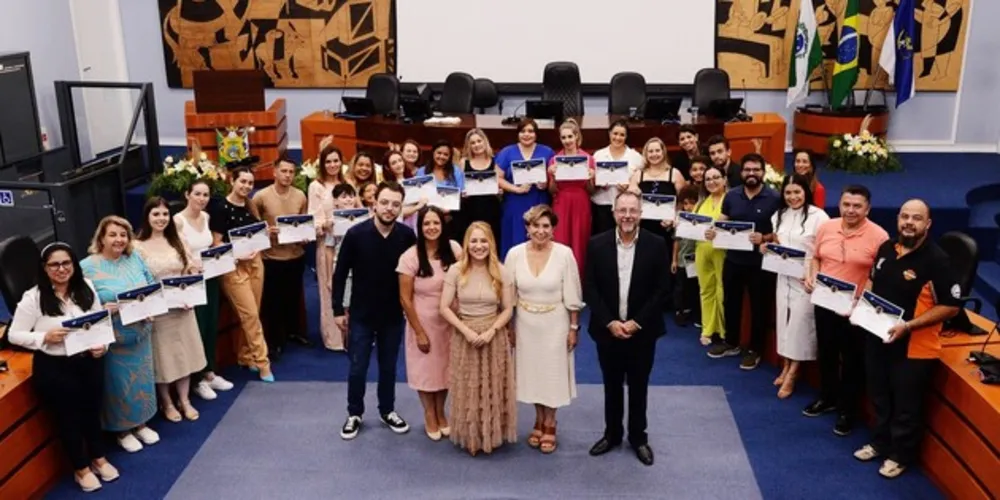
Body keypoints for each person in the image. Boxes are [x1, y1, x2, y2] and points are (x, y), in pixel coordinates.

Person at [853, 199, 960, 478]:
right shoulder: (887, 248)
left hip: (914, 346)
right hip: (878, 336)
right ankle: (879, 443)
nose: (909, 223)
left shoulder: (938, 261)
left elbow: (951, 306)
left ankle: (900, 456)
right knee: (879, 396)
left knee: (906, 406)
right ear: (898, 219)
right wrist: (862, 306)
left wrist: (909, 326)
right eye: (905, 217)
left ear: (928, 224)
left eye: (917, 218)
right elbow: (873, 280)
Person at [9, 242, 118, 492]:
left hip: (88, 363)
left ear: (74, 265)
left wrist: (103, 346)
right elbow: (15, 334)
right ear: (45, 268)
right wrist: (43, 338)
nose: (61, 269)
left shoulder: (86, 287)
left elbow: (99, 322)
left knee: (92, 411)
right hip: (55, 368)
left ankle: (99, 458)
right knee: (68, 419)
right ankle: (81, 469)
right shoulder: (34, 298)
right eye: (54, 265)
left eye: (66, 263)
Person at [584, 191, 670, 466]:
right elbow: (591, 287)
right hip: (607, 330)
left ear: (640, 214)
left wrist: (636, 322)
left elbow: (661, 290)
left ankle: (638, 437)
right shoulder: (596, 244)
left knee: (638, 385)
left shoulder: (657, 245)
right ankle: (611, 434)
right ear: (613, 213)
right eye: (622, 210)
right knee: (611, 385)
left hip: (642, 331)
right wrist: (610, 322)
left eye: (633, 210)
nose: (627, 216)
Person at [804, 185, 888, 436]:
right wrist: (813, 276)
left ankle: (847, 411)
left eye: (857, 206)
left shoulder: (880, 236)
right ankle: (827, 397)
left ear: (868, 209)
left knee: (852, 361)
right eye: (846, 205)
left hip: (854, 310)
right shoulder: (827, 227)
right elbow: (816, 257)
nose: (850, 210)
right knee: (827, 353)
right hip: (825, 302)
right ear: (839, 205)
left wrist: (861, 302)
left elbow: (877, 274)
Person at [335, 182, 417, 440]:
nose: (389, 208)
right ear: (374, 204)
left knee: (389, 367)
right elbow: (340, 274)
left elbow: (416, 272)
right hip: (361, 314)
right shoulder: (356, 234)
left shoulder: (406, 236)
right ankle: (354, 413)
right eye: (384, 202)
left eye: (395, 204)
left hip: (393, 314)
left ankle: (387, 410)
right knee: (358, 367)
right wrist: (338, 309)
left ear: (400, 207)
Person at [504, 204, 583, 454]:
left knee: (552, 375)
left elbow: (573, 293)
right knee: (533, 375)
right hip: (525, 324)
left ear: (553, 229)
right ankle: (538, 419)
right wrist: (509, 326)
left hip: (555, 323)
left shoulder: (564, 254)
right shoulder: (514, 254)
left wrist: (573, 327)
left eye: (546, 226)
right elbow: (508, 294)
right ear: (527, 228)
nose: (540, 231)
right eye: (535, 225)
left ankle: (550, 422)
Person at [81, 216, 160, 452]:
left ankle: (141, 423)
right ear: (101, 238)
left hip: (141, 333)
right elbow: (82, 306)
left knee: (142, 382)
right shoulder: (87, 266)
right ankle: (122, 430)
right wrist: (103, 310)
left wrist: (153, 307)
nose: (119, 239)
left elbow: (151, 284)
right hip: (115, 339)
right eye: (113, 234)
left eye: (123, 235)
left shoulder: (134, 257)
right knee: (119, 385)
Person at [439, 222, 517, 455]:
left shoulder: (501, 271)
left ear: (491, 243)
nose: (478, 246)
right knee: (468, 386)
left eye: (483, 241)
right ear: (466, 244)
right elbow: (444, 307)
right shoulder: (455, 270)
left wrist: (492, 331)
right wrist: (467, 331)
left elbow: (507, 309)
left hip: (494, 336)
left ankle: (491, 435)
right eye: (474, 241)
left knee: (492, 385)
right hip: (466, 335)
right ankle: (471, 437)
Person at [706, 153, 782, 369]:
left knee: (759, 307)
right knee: (730, 302)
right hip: (733, 260)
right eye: (747, 170)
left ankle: (755, 349)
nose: (751, 173)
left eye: (756, 170)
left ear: (763, 172)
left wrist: (764, 238)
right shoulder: (732, 196)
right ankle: (731, 342)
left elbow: (780, 232)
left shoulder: (774, 198)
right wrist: (714, 231)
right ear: (742, 173)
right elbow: (723, 220)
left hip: (760, 263)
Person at [135, 197, 208, 422]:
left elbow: (189, 269)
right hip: (158, 311)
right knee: (164, 358)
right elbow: (139, 280)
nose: (161, 219)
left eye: (165, 214)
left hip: (183, 307)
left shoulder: (178, 240)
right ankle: (167, 402)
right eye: (156, 214)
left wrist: (193, 278)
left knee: (184, 354)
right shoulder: (137, 246)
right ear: (147, 217)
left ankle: (184, 400)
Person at [397, 206, 462, 440]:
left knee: (445, 371)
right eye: (426, 224)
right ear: (419, 227)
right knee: (426, 372)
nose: (432, 228)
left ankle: (441, 412)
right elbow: (404, 298)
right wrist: (418, 331)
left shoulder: (454, 249)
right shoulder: (410, 256)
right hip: (422, 321)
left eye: (436, 223)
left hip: (450, 322)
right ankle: (429, 414)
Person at [208, 167, 274, 382]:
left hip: (255, 263)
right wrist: (238, 253)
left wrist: (267, 235)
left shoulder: (250, 205)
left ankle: (246, 356)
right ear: (232, 181)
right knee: (250, 315)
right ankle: (263, 362)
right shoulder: (220, 208)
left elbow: (255, 234)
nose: (246, 186)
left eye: (250, 183)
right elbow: (216, 242)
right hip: (233, 267)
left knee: (254, 311)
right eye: (242, 181)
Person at [767, 175, 829, 399]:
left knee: (799, 324)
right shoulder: (779, 215)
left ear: (806, 191)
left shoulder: (819, 217)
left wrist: (814, 276)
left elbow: (823, 251)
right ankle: (785, 365)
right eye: (788, 193)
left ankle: (794, 372)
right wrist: (769, 248)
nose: (793, 197)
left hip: (806, 277)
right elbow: (778, 242)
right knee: (784, 321)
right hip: (784, 273)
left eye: (797, 192)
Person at [174, 180, 234, 401]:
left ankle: (209, 371)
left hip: (211, 277)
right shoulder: (178, 221)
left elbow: (209, 246)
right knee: (196, 328)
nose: (201, 198)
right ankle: (197, 378)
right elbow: (178, 252)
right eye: (197, 194)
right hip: (190, 282)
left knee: (210, 325)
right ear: (187, 194)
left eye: (205, 195)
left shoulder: (207, 217)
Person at [253, 156, 311, 359]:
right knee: (273, 301)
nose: (287, 175)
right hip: (272, 257)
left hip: (295, 255)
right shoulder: (261, 196)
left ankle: (293, 332)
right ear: (274, 172)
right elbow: (254, 227)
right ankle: (275, 341)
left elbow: (305, 222)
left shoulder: (300, 196)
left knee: (293, 296)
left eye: (291, 172)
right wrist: (267, 232)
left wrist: (305, 236)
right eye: (284, 171)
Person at [309, 145, 352, 351]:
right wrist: (325, 224)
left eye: (336, 161)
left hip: (350, 244)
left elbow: (357, 210)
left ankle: (351, 335)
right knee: (330, 288)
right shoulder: (316, 187)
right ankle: (334, 338)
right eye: (328, 161)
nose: (333, 165)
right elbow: (313, 221)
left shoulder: (347, 182)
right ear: (322, 164)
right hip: (328, 244)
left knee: (351, 289)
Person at [497, 118, 555, 258]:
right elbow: (497, 178)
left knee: (539, 239)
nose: (526, 134)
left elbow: (554, 176)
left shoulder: (547, 152)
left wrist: (546, 183)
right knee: (514, 241)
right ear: (518, 134)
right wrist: (515, 189)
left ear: (536, 134)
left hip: (538, 202)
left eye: (530, 131)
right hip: (514, 204)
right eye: (523, 131)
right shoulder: (507, 152)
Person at [547, 118, 595, 275]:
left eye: (570, 136)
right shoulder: (554, 160)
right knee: (560, 242)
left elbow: (591, 190)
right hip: (561, 203)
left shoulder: (588, 159)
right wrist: (552, 176)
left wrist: (589, 178)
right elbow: (551, 190)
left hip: (581, 204)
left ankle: (579, 285)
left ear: (576, 137)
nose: (567, 140)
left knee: (580, 243)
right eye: (563, 137)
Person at [694, 166, 728, 345]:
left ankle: (723, 331)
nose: (712, 182)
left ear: (724, 179)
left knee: (721, 290)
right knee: (706, 289)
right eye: (708, 179)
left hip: (722, 251)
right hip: (702, 250)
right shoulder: (701, 202)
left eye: (716, 178)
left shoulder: (730, 200)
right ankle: (707, 329)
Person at [592, 119, 643, 235]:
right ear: (609, 134)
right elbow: (591, 182)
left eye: (622, 135)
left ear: (626, 137)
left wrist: (630, 186)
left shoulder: (635, 157)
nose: (618, 138)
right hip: (602, 205)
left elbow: (642, 181)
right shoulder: (598, 155)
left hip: (626, 209)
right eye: (615, 134)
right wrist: (598, 184)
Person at [454, 128, 502, 244]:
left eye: (479, 141)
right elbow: (458, 187)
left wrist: (500, 192)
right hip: (469, 209)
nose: (476, 145)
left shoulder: (495, 162)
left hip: (490, 210)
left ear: (485, 141)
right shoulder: (463, 162)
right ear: (468, 146)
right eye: (472, 143)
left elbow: (501, 186)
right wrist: (461, 193)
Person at [671, 185, 702, 327]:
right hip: (682, 260)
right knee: (680, 287)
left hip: (696, 259)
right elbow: (676, 241)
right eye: (685, 203)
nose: (689, 207)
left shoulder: (702, 221)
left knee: (694, 287)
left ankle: (693, 311)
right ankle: (679, 311)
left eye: (692, 203)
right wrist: (674, 260)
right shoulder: (681, 220)